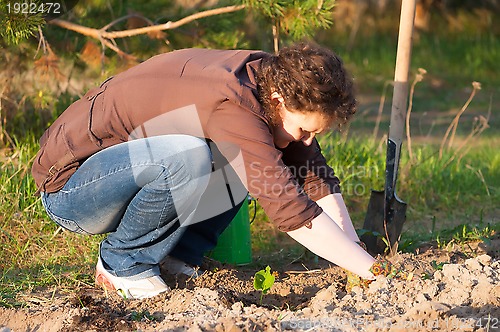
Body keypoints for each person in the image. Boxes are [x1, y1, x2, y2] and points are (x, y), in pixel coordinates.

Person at [31, 42, 403, 300]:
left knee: (247, 157)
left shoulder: (272, 81)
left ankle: (176, 257)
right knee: (192, 155)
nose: (305, 138)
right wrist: (372, 272)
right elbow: (288, 208)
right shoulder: (233, 100)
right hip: (72, 187)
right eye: (304, 128)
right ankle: (123, 263)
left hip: (131, 168)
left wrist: (354, 254)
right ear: (279, 101)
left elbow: (312, 175)